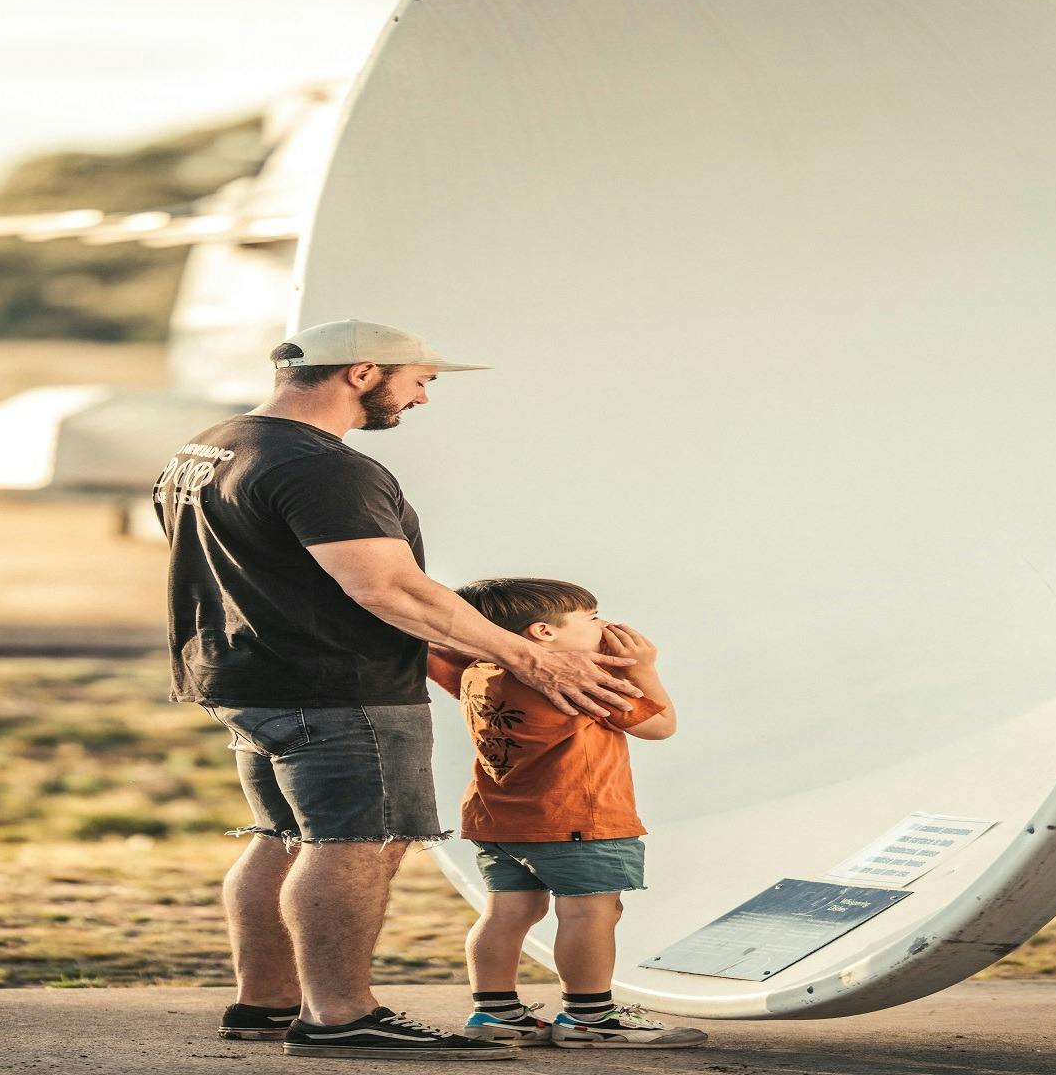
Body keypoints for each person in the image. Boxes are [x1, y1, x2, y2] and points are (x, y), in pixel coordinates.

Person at [151, 319, 643, 1062]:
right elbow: (388, 588)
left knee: (282, 838)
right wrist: (530, 658)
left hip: (242, 676)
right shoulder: (325, 467)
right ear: (362, 372)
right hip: (337, 686)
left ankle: (266, 1003)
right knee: (354, 842)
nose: (420, 399)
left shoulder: (211, 446)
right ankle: (341, 1016)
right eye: (420, 381)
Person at [430, 578, 708, 1050]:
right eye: (591, 618)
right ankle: (589, 1018)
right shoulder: (573, 677)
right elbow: (660, 725)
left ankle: (494, 1014)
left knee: (507, 912)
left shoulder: (478, 670)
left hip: (500, 821)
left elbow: (438, 651)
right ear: (543, 633)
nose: (603, 625)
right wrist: (644, 667)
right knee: (590, 914)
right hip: (577, 818)